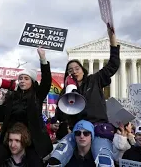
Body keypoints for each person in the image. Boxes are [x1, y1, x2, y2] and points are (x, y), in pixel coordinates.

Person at [49, 23, 120, 166]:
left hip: (97, 128)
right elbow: (61, 114)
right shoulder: (66, 91)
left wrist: (112, 39)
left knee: (104, 160)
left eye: (77, 68)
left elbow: (113, 64)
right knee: (56, 159)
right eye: (70, 70)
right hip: (77, 131)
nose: (74, 71)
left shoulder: (94, 79)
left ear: (83, 69)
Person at [0, 47, 53, 167]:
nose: (22, 81)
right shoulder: (11, 96)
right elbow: (0, 117)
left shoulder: (37, 95)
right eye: (20, 78)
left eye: (26, 79)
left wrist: (43, 59)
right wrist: (1, 103)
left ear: (32, 82)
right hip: (10, 139)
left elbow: (47, 81)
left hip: (32, 141)